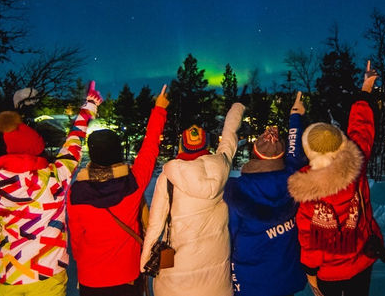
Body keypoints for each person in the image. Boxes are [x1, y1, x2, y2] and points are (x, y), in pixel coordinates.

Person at [0, 81, 103, 296]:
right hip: (49, 275)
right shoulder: (55, 178)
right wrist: (87, 108)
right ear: (37, 150)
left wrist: (7, 234)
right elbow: (72, 146)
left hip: (12, 276)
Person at [288, 61, 385, 296]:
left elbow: (309, 241)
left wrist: (311, 273)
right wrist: (366, 88)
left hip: (329, 273)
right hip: (362, 259)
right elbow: (361, 128)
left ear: (309, 152)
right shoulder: (355, 163)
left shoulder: (308, 191)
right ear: (341, 144)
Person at [67, 84, 169, 296]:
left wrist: (84, 261)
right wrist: (159, 109)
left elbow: (76, 238)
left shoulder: (76, 192)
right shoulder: (131, 184)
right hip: (126, 276)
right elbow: (150, 148)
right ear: (118, 152)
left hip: (91, 277)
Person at [140, 102, 246, 296]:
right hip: (217, 281)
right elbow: (229, 138)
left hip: (177, 277)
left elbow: (155, 225)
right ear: (207, 145)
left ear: (182, 145)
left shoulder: (169, 178)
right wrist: (237, 109)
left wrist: (145, 261)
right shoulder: (221, 166)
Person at [223, 92, 308, 296]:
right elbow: (294, 154)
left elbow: (228, 237)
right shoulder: (293, 179)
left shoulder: (239, 189)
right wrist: (295, 116)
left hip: (250, 280)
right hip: (286, 278)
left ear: (254, 155)